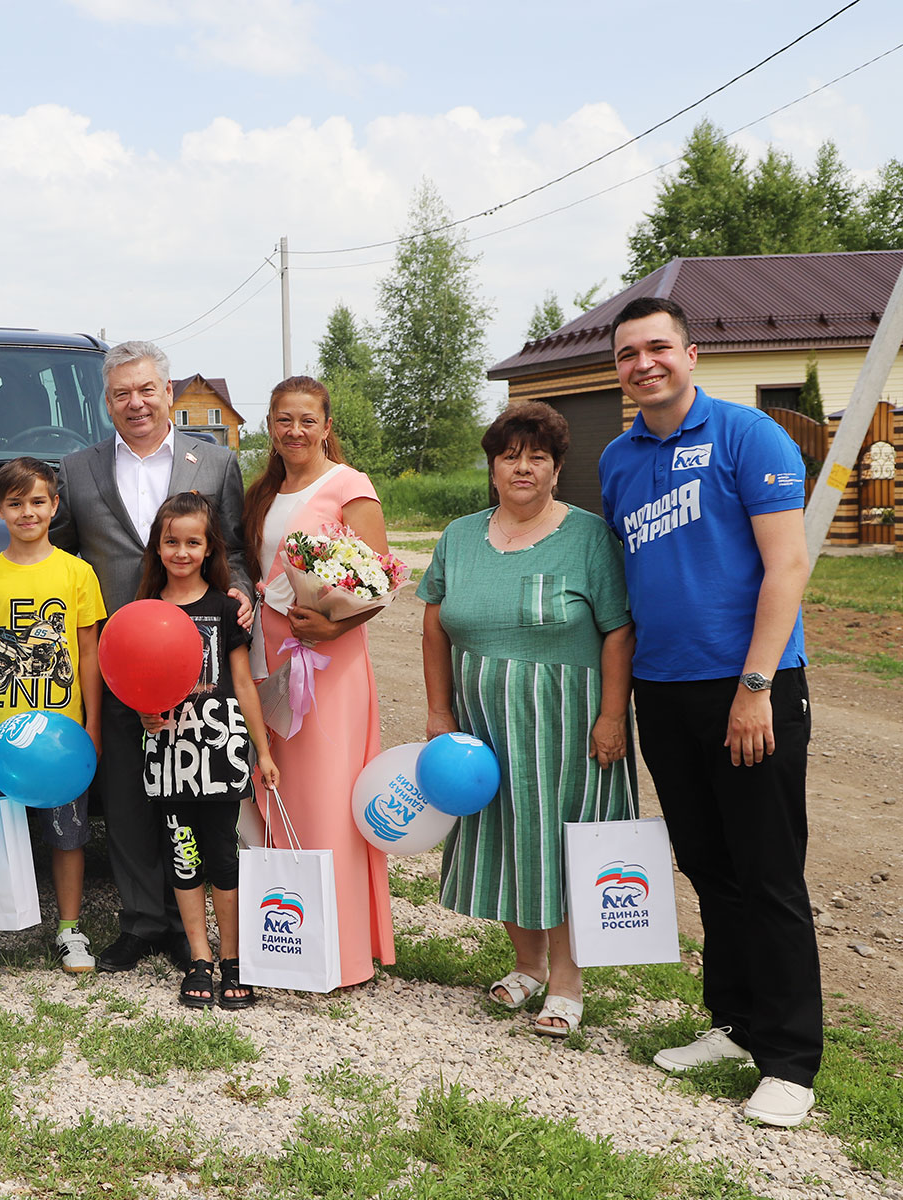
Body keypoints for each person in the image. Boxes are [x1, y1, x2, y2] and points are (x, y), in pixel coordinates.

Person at [599, 296, 818, 1129]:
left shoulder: (746, 436)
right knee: (708, 867)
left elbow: (787, 567)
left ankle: (791, 1061)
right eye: (628, 354)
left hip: (752, 687)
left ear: (691, 354)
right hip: (665, 689)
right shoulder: (619, 460)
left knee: (768, 875)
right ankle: (734, 1024)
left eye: (658, 348)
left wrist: (757, 685)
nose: (643, 363)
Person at [419, 402, 637, 1037]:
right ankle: (528, 965)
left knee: (562, 841)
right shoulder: (460, 536)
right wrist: (438, 710)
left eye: (536, 456)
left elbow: (618, 632)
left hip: (565, 722)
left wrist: (611, 716)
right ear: (491, 467)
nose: (522, 467)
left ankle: (567, 984)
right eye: (509, 455)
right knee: (510, 834)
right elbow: (434, 625)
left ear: (556, 468)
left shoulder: (588, 536)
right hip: (483, 721)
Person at [48, 340, 252, 974]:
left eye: (145, 390)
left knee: (189, 792)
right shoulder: (77, 471)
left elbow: (235, 549)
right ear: (105, 401)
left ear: (168, 393)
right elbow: (56, 559)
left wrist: (240, 589)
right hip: (116, 660)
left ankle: (184, 918)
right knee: (130, 797)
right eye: (119, 393)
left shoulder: (215, 463)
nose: (134, 402)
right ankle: (141, 922)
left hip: (197, 668)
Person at [242, 375, 394, 989]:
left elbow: (379, 581)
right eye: (284, 419)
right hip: (270, 659)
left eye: (308, 420)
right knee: (271, 790)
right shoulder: (264, 491)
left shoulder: (349, 486)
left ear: (327, 426)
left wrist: (331, 627)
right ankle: (284, 939)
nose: (295, 431)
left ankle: (340, 950)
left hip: (330, 664)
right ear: (270, 426)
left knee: (329, 796)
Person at [0, 458, 106, 974]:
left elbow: (88, 652)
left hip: (62, 738)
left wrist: (92, 723)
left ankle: (69, 929)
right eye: (16, 503)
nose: (28, 512)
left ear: (55, 506)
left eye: (38, 501)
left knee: (68, 833)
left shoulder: (76, 572)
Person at [135, 493, 279, 1009]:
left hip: (221, 750)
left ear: (208, 546)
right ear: (157, 546)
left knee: (222, 855)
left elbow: (242, 683)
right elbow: (135, 683)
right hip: (170, 754)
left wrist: (263, 753)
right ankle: (200, 957)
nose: (181, 551)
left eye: (192, 542)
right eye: (171, 541)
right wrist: (144, 715)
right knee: (184, 856)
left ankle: (233, 958)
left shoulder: (224, 609)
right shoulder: (144, 612)